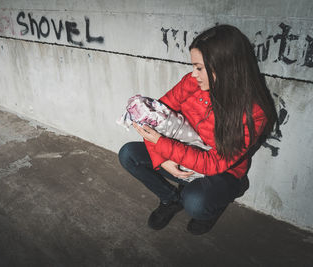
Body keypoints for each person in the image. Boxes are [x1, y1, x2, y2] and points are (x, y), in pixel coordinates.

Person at [118, 24, 277, 235]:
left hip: (221, 171)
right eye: (193, 66)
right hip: (183, 155)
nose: (193, 74)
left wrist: (164, 146)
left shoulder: (254, 112)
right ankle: (170, 199)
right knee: (128, 155)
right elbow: (156, 118)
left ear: (224, 67)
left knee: (195, 203)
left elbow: (214, 162)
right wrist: (163, 158)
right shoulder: (191, 83)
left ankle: (223, 197)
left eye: (199, 68)